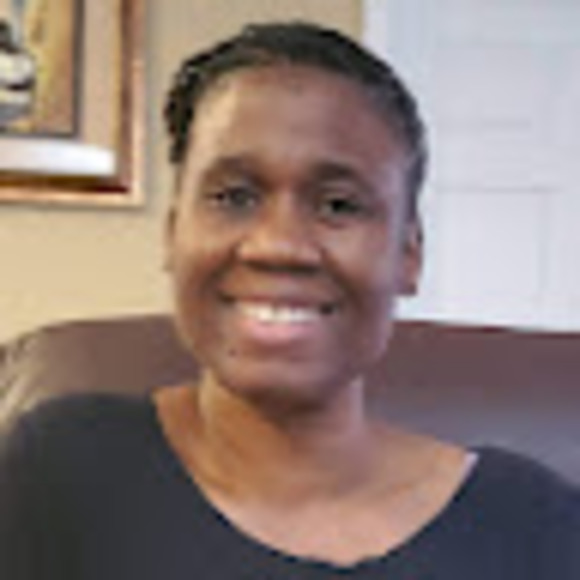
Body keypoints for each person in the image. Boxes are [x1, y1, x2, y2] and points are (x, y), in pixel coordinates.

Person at [1, 21, 579, 579]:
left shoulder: (532, 524)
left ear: (409, 254)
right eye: (234, 196)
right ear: (174, 233)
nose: (278, 246)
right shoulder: (60, 472)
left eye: (338, 205)